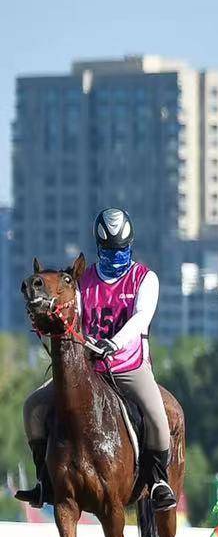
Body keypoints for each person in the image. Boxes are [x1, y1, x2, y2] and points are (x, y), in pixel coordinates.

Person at [17, 208, 178, 513]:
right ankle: (44, 481)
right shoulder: (83, 280)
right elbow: (70, 316)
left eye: (122, 250)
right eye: (110, 250)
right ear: (99, 247)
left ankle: (158, 482)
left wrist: (114, 343)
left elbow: (141, 319)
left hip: (129, 365)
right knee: (32, 408)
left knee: (158, 416)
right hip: (88, 368)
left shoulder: (145, 279)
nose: (116, 256)